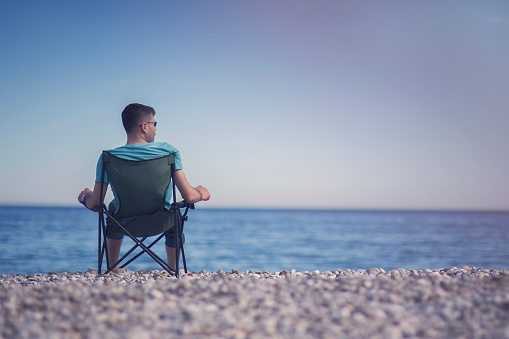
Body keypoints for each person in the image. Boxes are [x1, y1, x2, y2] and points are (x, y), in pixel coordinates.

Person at [78, 103, 210, 270]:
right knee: (173, 212)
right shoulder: (169, 152)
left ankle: (113, 268)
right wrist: (200, 193)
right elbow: (189, 197)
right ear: (144, 126)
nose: (156, 129)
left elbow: (96, 202)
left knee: (112, 208)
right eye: (155, 124)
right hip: (162, 220)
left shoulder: (107, 158)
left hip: (122, 222)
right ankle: (172, 268)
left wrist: (85, 196)